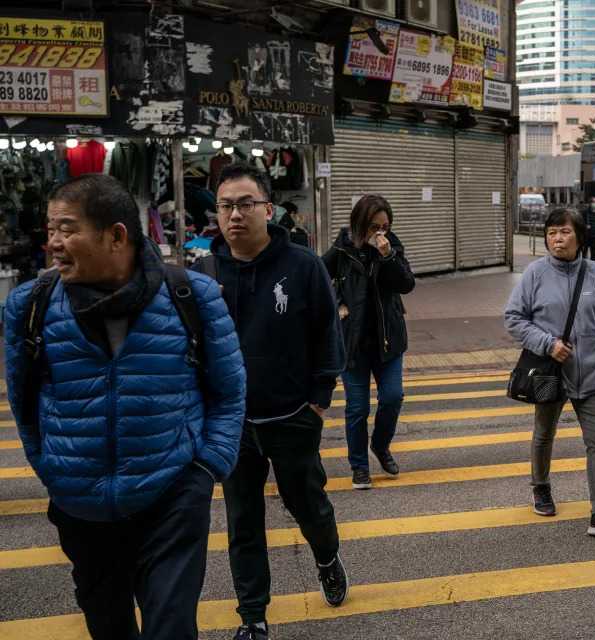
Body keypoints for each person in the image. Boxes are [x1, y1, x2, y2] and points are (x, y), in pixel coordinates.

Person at [4, 174, 246, 639]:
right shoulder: (29, 305)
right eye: (50, 229)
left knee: (170, 630)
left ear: (116, 235)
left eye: (66, 228)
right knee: (109, 628)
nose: (53, 243)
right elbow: (24, 402)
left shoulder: (192, 296)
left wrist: (204, 472)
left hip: (172, 496)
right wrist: (53, 469)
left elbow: (230, 392)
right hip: (81, 507)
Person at [192, 162, 347, 640]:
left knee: (309, 505)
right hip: (232, 425)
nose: (235, 214)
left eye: (245, 204)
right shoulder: (203, 273)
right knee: (242, 522)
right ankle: (253, 616)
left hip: (292, 417)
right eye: (225, 206)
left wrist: (317, 402)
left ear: (267, 208)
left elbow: (328, 333)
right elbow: (191, 348)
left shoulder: (302, 265)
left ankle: (326, 556)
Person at [505, 206, 595, 538]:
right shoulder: (534, 273)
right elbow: (514, 319)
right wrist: (547, 344)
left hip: (590, 373)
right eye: (551, 232)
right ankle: (541, 486)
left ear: (579, 236)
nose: (557, 238)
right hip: (549, 372)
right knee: (544, 434)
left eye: (564, 231)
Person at [321, 195, 416, 490]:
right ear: (360, 223)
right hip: (353, 342)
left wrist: (389, 256)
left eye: (385, 226)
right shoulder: (342, 249)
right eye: (375, 226)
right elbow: (317, 278)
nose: (380, 233)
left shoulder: (391, 245)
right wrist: (338, 303)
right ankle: (359, 466)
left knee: (393, 396)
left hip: (388, 339)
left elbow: (407, 284)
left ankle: (381, 445)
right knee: (357, 408)